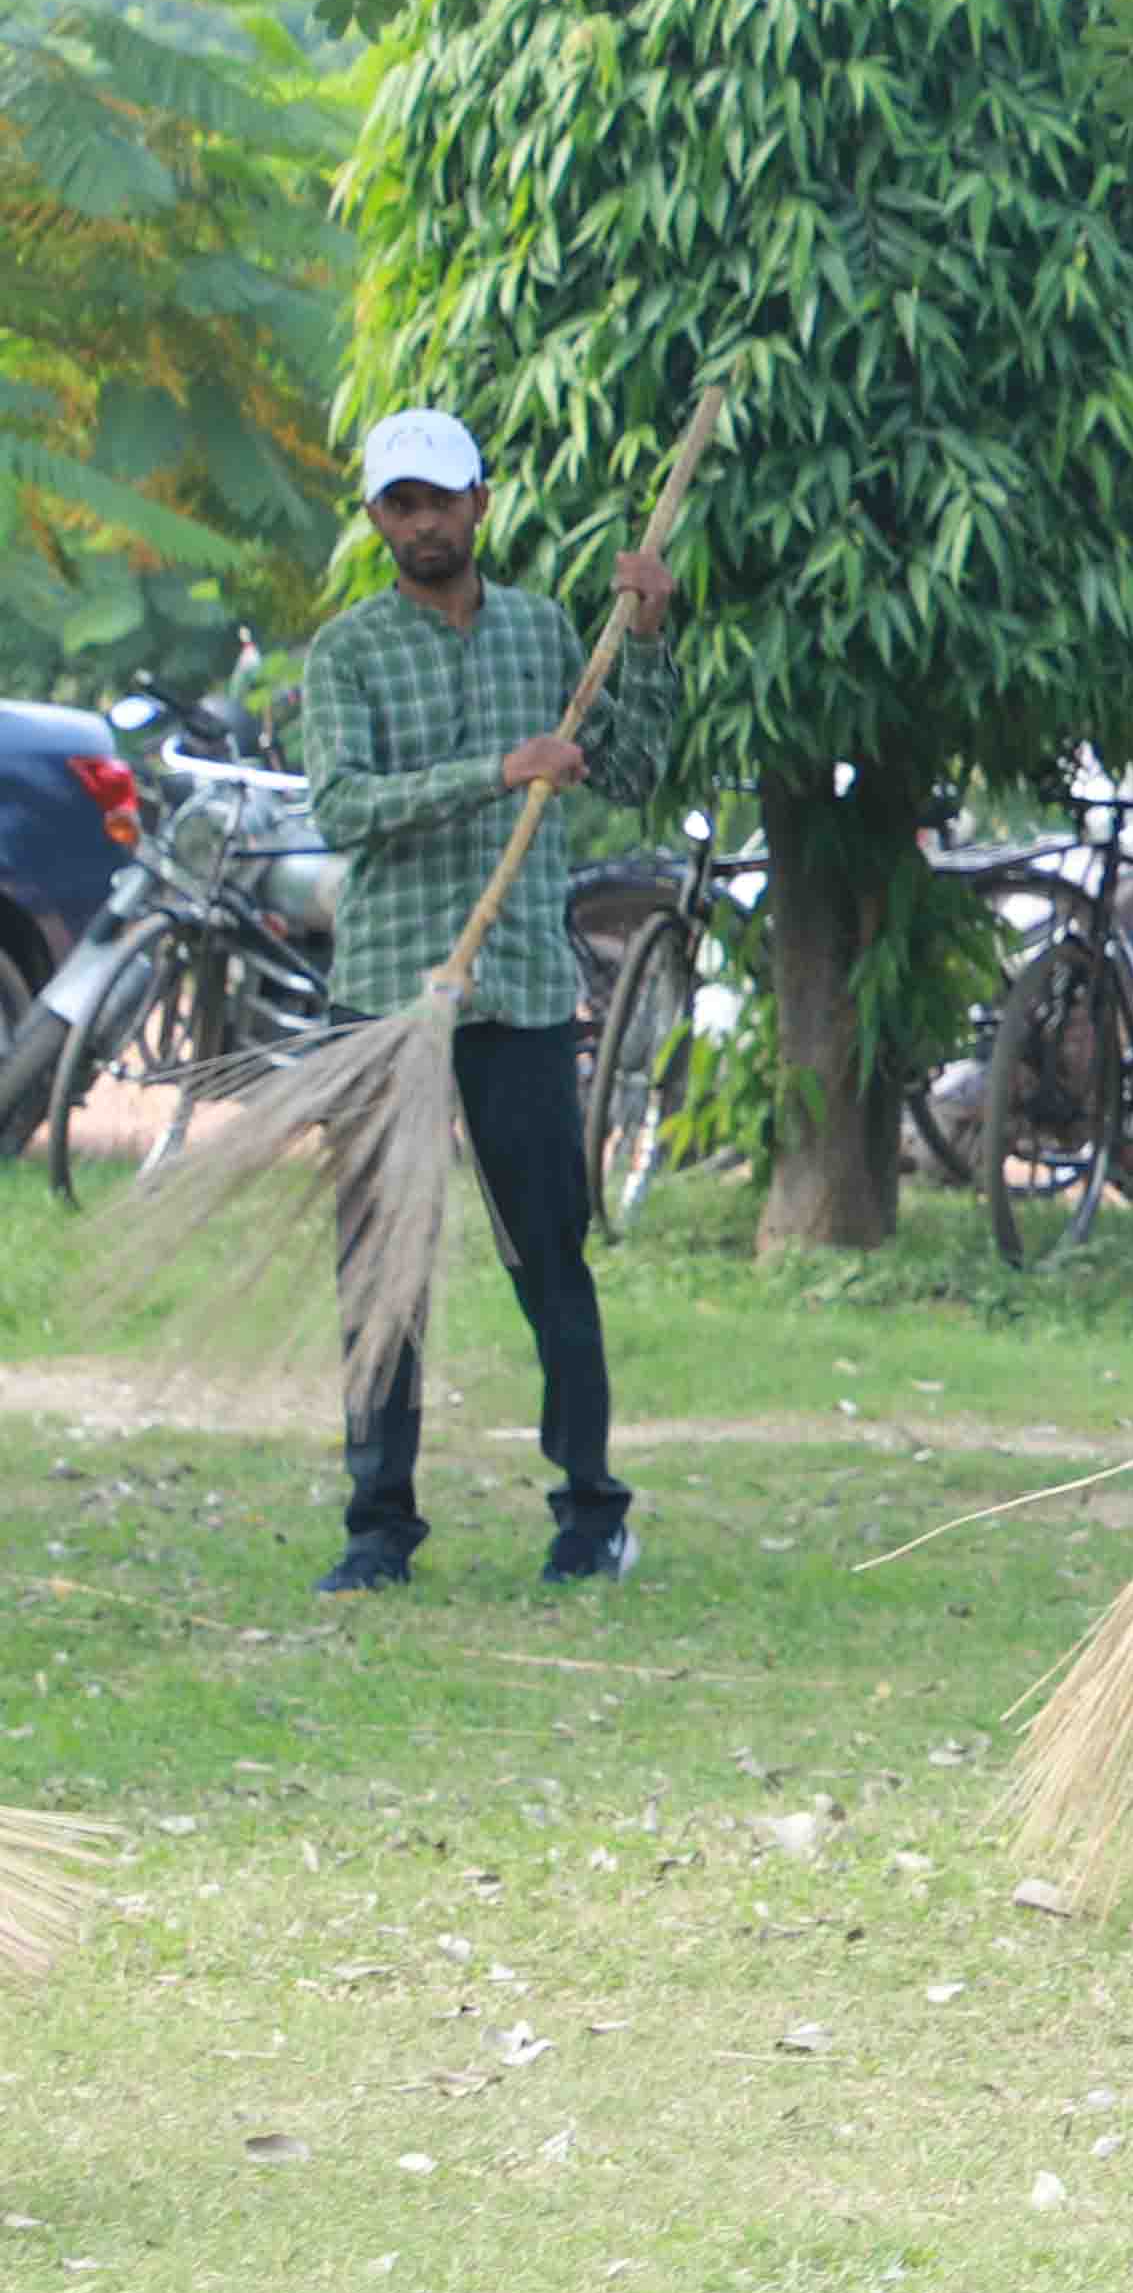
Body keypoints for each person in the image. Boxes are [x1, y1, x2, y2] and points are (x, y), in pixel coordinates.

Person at [293, 408, 681, 1596]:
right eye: (400, 504)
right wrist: (495, 771)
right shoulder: (349, 651)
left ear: (480, 502)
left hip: (516, 993)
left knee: (550, 1256)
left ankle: (591, 1513)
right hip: (389, 1000)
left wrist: (647, 638)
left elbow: (633, 768)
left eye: (440, 499)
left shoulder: (544, 629)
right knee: (383, 1271)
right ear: (378, 517)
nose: (422, 522)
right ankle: (378, 1528)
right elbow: (342, 806)